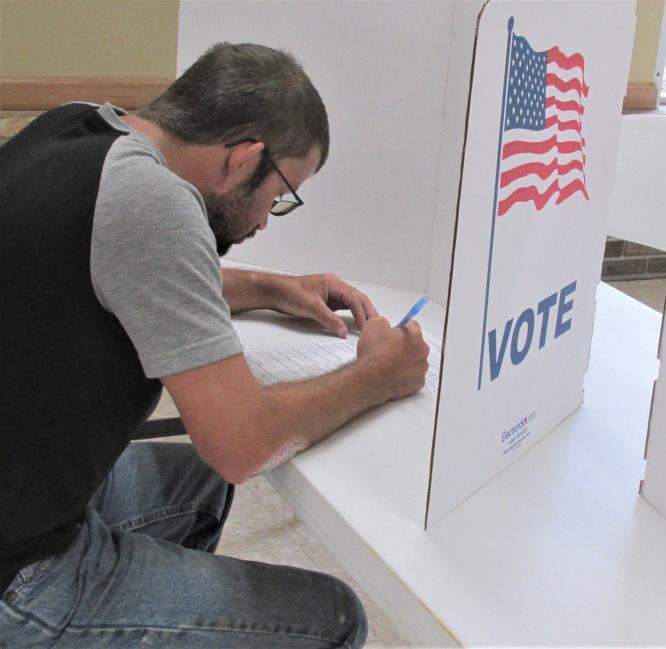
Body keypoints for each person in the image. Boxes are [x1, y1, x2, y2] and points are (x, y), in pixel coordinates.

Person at [0, 42, 430, 648]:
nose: (264, 221)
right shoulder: (155, 203)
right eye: (279, 193)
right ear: (243, 159)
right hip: (21, 569)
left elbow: (126, 275)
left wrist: (267, 287)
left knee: (200, 487)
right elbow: (242, 443)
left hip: (25, 489)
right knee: (332, 620)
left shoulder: (73, 127)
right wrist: (379, 375)